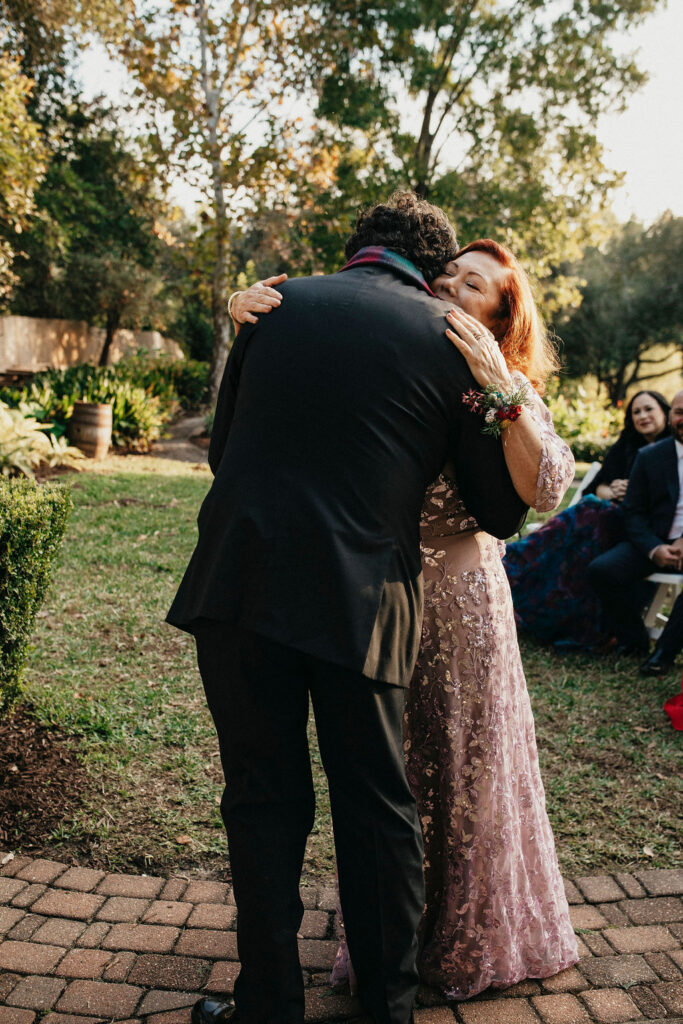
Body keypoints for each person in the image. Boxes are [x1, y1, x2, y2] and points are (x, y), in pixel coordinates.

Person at [166, 192, 528, 1024]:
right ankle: (387, 1012)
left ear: (356, 248)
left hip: (238, 578)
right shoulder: (447, 336)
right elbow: (497, 512)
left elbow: (223, 452)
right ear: (428, 269)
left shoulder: (272, 303)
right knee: (375, 808)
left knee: (260, 796)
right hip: (362, 598)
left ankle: (267, 1003)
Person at [230, 237, 578, 1000]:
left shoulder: (500, 383)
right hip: (373, 599)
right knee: (394, 783)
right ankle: (392, 943)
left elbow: (547, 486)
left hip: (460, 608)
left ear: (500, 312)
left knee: (464, 771)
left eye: (475, 283)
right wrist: (246, 318)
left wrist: (497, 383)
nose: (452, 285)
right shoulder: (390, 361)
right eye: (447, 273)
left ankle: (463, 937)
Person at [504, 391, 671, 651]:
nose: (642, 416)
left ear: (665, 411)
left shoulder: (671, 450)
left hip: (638, 528)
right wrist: (613, 489)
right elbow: (596, 488)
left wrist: (635, 494)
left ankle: (520, 556)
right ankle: (553, 606)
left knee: (592, 513)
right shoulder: (627, 445)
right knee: (593, 511)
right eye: (636, 412)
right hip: (607, 521)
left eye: (649, 409)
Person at [589, 389, 683, 675]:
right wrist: (655, 549)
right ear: (671, 416)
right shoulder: (650, 456)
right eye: (680, 412)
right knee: (601, 570)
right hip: (653, 539)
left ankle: (663, 655)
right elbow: (634, 511)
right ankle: (634, 641)